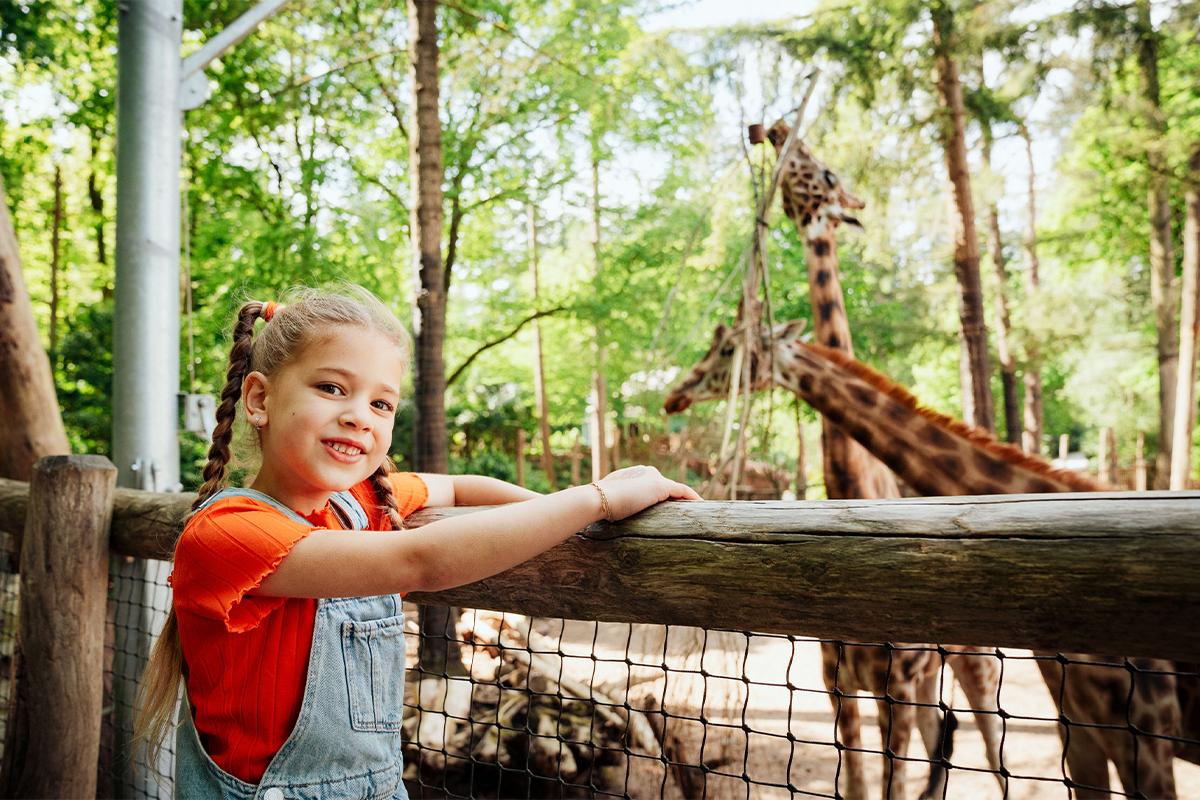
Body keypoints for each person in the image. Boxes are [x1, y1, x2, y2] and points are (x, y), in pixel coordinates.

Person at [133, 285, 700, 799]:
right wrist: (595, 498)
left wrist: (573, 519)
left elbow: (457, 486)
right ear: (258, 399)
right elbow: (420, 561)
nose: (360, 417)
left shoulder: (358, 502)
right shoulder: (229, 532)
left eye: (381, 404)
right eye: (332, 388)